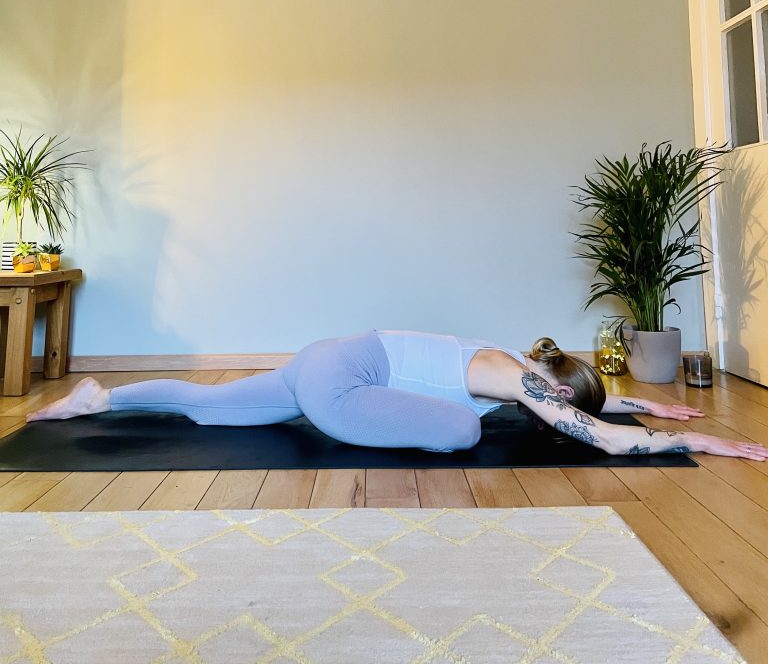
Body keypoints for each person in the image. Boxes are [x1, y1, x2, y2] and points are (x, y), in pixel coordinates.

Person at [25, 329, 768, 460]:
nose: (553, 415)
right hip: (342, 382)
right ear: (550, 390)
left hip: (322, 358)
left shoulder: (514, 360)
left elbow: (588, 409)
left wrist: (652, 405)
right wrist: (693, 440)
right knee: (463, 433)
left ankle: (99, 398)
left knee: (209, 403)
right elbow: (595, 434)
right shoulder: (520, 383)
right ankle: (98, 400)